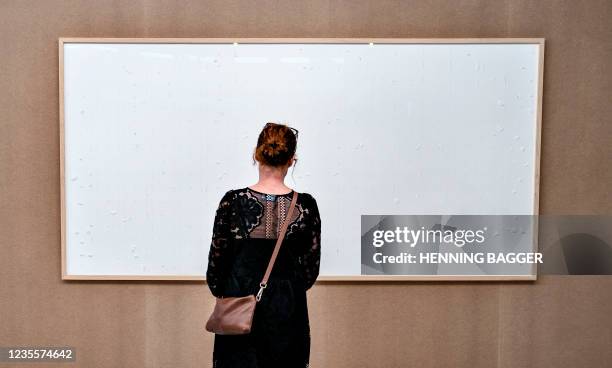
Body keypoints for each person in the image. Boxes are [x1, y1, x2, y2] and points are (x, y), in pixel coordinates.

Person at [206, 122, 321, 368]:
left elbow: (216, 270)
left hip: (239, 311)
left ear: (256, 155)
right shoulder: (306, 207)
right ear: (292, 160)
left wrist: (232, 289)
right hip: (288, 311)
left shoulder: (232, 202)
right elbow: (310, 271)